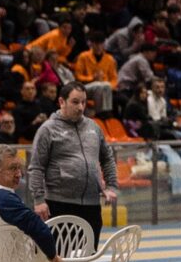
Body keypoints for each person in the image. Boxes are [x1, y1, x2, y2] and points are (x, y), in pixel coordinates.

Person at [22, 83, 117, 244]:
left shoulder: (94, 127)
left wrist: (111, 186)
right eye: (75, 102)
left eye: (84, 102)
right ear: (61, 102)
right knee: (60, 261)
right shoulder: (48, 130)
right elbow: (36, 167)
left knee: (88, 261)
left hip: (91, 205)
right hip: (59, 204)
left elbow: (107, 158)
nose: (80, 107)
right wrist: (38, 200)